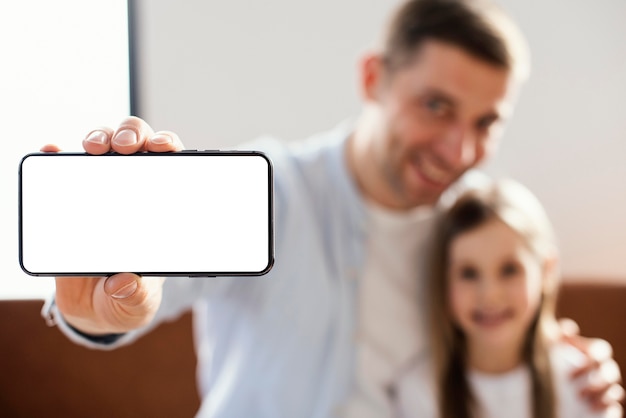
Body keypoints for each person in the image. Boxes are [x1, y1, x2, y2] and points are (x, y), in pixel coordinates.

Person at [41, 0, 623, 417]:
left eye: (486, 122)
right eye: (437, 106)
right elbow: (145, 287)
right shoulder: (264, 192)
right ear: (374, 79)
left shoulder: (471, 231)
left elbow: (523, 338)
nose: (460, 150)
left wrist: (575, 369)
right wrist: (97, 310)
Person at [395, 178, 622, 418]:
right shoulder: (419, 391)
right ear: (442, 280)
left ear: (546, 270)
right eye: (468, 273)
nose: (490, 295)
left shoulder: (580, 380)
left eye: (509, 270)